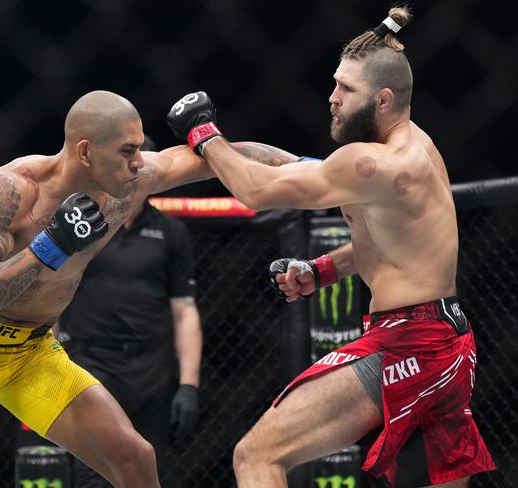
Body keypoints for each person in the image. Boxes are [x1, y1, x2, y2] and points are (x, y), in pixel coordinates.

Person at [166, 7, 496, 488]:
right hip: (447, 342)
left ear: (383, 100)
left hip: (408, 342)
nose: (332, 98)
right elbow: (386, 246)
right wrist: (320, 271)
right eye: (336, 83)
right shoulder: (419, 145)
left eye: (346, 89)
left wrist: (202, 131)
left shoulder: (371, 163)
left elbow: (257, 191)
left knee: (256, 457)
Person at [0, 90, 221, 488]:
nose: (139, 162)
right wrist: (49, 247)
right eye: (127, 150)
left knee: (135, 457)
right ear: (86, 151)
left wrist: (303, 168)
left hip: (28, 356)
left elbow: (204, 160)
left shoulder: (128, 183)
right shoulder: (11, 189)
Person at [59, 135, 202, 486]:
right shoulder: (83, 225)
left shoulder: (171, 232)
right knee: (94, 474)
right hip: (91, 364)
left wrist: (189, 386)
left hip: (152, 370)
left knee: (146, 472)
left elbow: (184, 310)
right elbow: (53, 295)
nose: (138, 171)